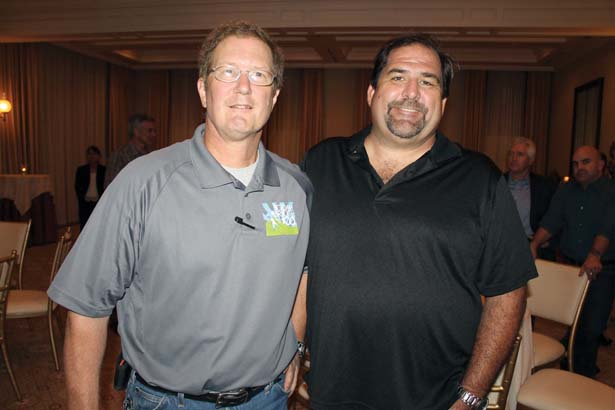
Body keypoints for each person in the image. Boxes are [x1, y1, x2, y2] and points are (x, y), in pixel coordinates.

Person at [48, 21, 311, 410]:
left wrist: (295, 343)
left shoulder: (295, 187)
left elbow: (302, 271)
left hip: (268, 399)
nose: (243, 87)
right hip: (168, 402)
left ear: (274, 96)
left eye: (259, 75)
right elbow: (86, 308)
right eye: (228, 72)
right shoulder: (142, 183)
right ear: (203, 89)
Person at [301, 34, 536, 410]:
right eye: (398, 77)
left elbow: (508, 293)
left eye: (428, 82)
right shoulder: (320, 162)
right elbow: (300, 269)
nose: (411, 93)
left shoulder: (480, 179)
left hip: (434, 399)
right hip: (331, 394)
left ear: (442, 104)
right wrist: (295, 351)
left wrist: (471, 395)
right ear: (371, 92)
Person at [531, 145, 615, 378]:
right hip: (570, 267)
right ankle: (570, 366)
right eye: (576, 164)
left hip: (601, 270)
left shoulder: (611, 191)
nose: (579, 168)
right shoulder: (565, 190)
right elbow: (551, 221)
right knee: (572, 322)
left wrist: (595, 254)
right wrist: (534, 244)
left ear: (600, 165)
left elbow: (607, 228)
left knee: (591, 329)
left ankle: (581, 378)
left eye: (586, 162)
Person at [504, 137, 556, 259]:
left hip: (531, 247)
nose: (513, 158)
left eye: (520, 154)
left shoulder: (544, 186)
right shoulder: (497, 182)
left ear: (531, 160)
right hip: (501, 246)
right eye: (511, 154)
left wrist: (545, 241)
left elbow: (554, 218)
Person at [103, 113, 157, 187]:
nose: (154, 134)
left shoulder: (152, 155)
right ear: (136, 132)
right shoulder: (120, 156)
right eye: (149, 131)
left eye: (155, 131)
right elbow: (110, 186)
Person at [74, 145, 105, 230]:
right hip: (85, 203)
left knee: (97, 225)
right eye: (89, 154)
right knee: (84, 226)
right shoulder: (81, 170)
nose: (92, 156)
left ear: (99, 156)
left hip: (98, 203)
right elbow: (77, 186)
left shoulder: (104, 170)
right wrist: (82, 198)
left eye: (94, 153)